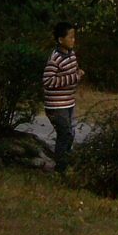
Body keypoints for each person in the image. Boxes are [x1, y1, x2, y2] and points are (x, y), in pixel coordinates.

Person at [42, 21, 84, 172]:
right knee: (64, 133)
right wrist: (73, 78)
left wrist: (77, 75)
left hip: (68, 103)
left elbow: (74, 71)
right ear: (61, 39)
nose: (73, 40)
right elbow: (47, 80)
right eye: (70, 37)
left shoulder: (71, 55)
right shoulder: (55, 58)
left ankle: (65, 164)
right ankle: (60, 167)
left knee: (70, 133)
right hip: (56, 105)